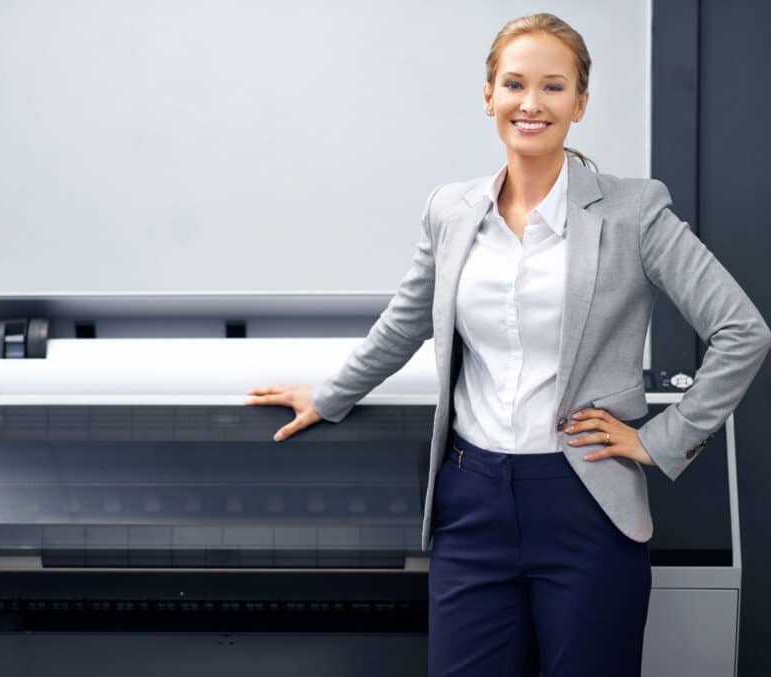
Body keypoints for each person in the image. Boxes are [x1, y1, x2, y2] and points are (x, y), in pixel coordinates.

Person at [245, 12, 771, 677]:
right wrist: (330, 395)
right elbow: (408, 320)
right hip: (472, 500)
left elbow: (742, 330)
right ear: (489, 94)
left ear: (580, 102)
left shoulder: (636, 212)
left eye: (553, 87)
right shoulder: (451, 210)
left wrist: (661, 439)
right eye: (515, 84)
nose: (531, 103)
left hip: (586, 504)